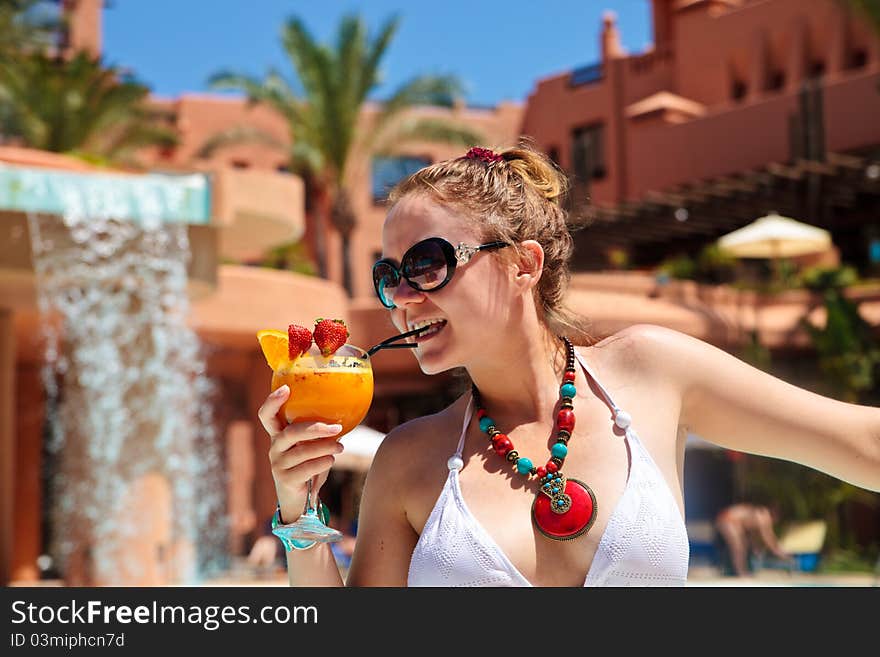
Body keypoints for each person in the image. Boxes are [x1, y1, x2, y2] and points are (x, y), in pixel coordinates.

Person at [258, 142, 880, 587]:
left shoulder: (652, 373)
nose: (402, 298)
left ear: (523, 264)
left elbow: (864, 443)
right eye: (389, 278)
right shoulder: (407, 458)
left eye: (426, 264)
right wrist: (300, 508)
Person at [713, 503, 793, 577]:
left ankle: (732, 570)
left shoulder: (757, 516)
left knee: (741, 545)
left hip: (728, 518)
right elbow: (768, 539)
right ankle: (741, 573)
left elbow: (754, 537)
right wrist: (780, 553)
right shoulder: (764, 516)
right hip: (727, 519)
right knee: (739, 547)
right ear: (776, 516)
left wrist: (757, 548)